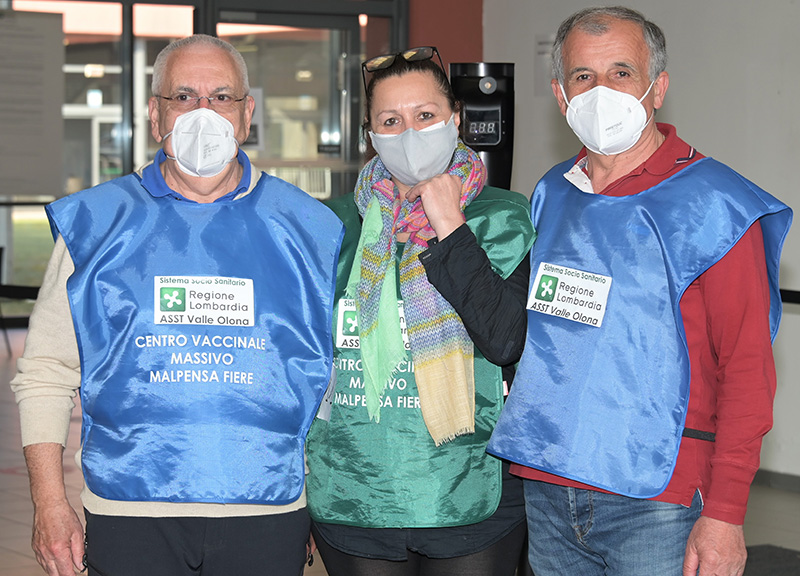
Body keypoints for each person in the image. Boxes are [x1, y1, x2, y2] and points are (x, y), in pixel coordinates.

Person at [11, 34, 344, 576]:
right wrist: (50, 504)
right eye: (184, 96)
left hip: (267, 509)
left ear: (247, 113)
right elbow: (46, 372)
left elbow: (327, 377)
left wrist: (316, 501)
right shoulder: (97, 226)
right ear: (155, 113)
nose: (203, 113)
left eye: (221, 97)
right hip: (130, 510)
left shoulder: (308, 227)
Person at [487, 6, 793, 576]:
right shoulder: (553, 191)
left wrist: (725, 512)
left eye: (622, 72)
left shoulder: (716, 204)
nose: (602, 91)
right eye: (584, 77)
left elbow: (748, 368)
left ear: (658, 88)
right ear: (560, 94)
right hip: (550, 486)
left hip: (658, 498)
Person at [304, 47, 535, 575]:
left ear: (456, 118)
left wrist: (450, 225)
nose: (409, 133)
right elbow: (302, 357)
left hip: (471, 490)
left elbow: (504, 340)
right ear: (371, 136)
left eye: (425, 116)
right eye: (391, 120)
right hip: (353, 488)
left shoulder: (504, 216)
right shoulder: (330, 225)